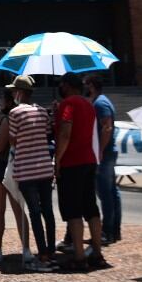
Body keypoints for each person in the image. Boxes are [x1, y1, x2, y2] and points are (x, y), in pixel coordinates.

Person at [54, 72, 107, 271]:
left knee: (74, 210)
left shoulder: (68, 105)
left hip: (72, 162)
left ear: (67, 85)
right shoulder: (89, 105)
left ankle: (78, 255)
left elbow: (66, 132)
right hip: (89, 160)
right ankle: (97, 252)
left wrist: (57, 159)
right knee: (91, 207)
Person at [7, 75, 55, 271]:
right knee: (48, 211)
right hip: (44, 167)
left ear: (19, 92)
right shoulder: (43, 112)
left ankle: (42, 254)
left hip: (26, 170)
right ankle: (50, 251)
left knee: (34, 212)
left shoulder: (15, 113)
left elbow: (13, 141)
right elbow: (48, 133)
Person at [0, 89, 30, 263]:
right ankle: (26, 248)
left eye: (1, 98)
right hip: (17, 165)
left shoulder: (7, 119)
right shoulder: (23, 117)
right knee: (19, 209)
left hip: (0, 166)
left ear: (8, 101)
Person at [83, 75, 120, 243]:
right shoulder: (101, 102)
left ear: (91, 86)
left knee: (106, 194)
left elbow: (107, 127)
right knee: (112, 192)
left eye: (85, 85)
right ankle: (113, 231)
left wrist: (99, 151)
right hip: (107, 152)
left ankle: (107, 232)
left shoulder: (100, 104)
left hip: (104, 154)